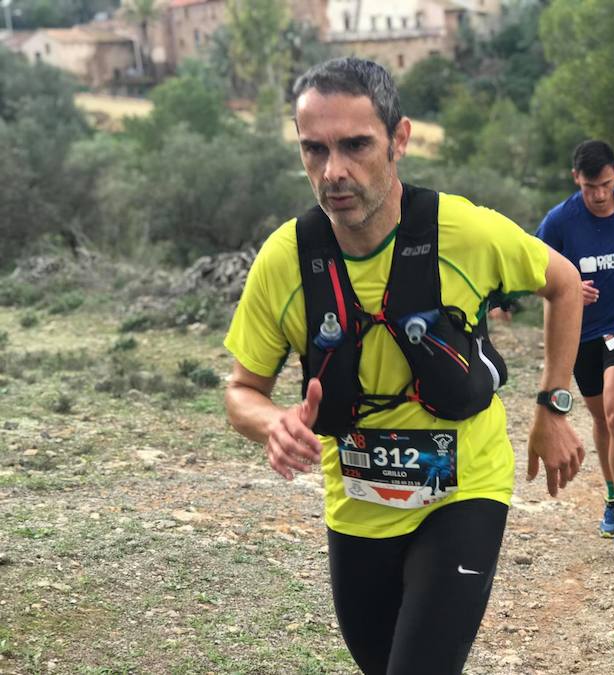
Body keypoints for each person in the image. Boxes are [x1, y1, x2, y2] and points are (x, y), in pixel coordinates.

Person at [222, 57, 585, 675]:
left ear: (400, 139)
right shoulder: (286, 259)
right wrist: (271, 424)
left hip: (464, 489)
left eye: (356, 145)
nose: (334, 171)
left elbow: (565, 283)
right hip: (359, 500)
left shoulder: (465, 232)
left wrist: (552, 406)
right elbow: (242, 390)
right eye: (315, 149)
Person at [536, 141, 614, 550]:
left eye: (606, 184)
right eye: (591, 186)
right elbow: (538, 270)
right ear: (577, 178)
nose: (599, 194)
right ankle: (611, 496)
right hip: (583, 330)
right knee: (599, 418)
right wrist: (569, 286)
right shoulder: (559, 221)